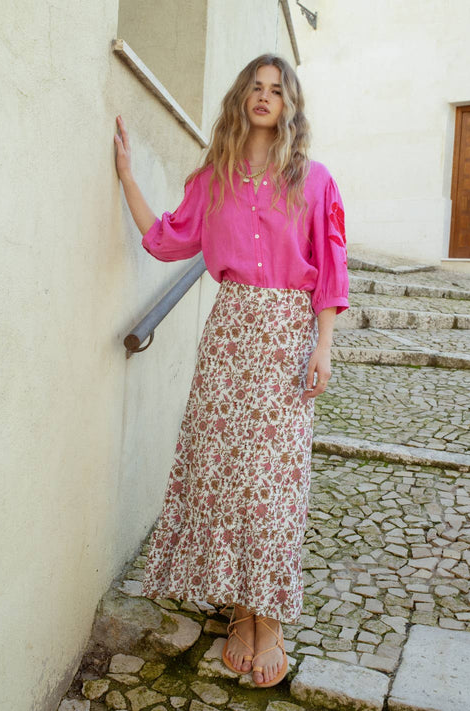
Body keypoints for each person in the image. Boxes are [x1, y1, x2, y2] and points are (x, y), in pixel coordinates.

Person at [114, 53, 349, 689]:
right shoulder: (214, 179)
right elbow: (166, 239)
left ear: (289, 103)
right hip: (229, 337)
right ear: (242, 98)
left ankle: (269, 616)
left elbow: (329, 270)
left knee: (274, 479)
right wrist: (128, 178)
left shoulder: (315, 179)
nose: (265, 97)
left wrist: (321, 345)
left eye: (277, 89)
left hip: (284, 337)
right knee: (226, 472)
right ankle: (240, 609)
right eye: (256, 87)